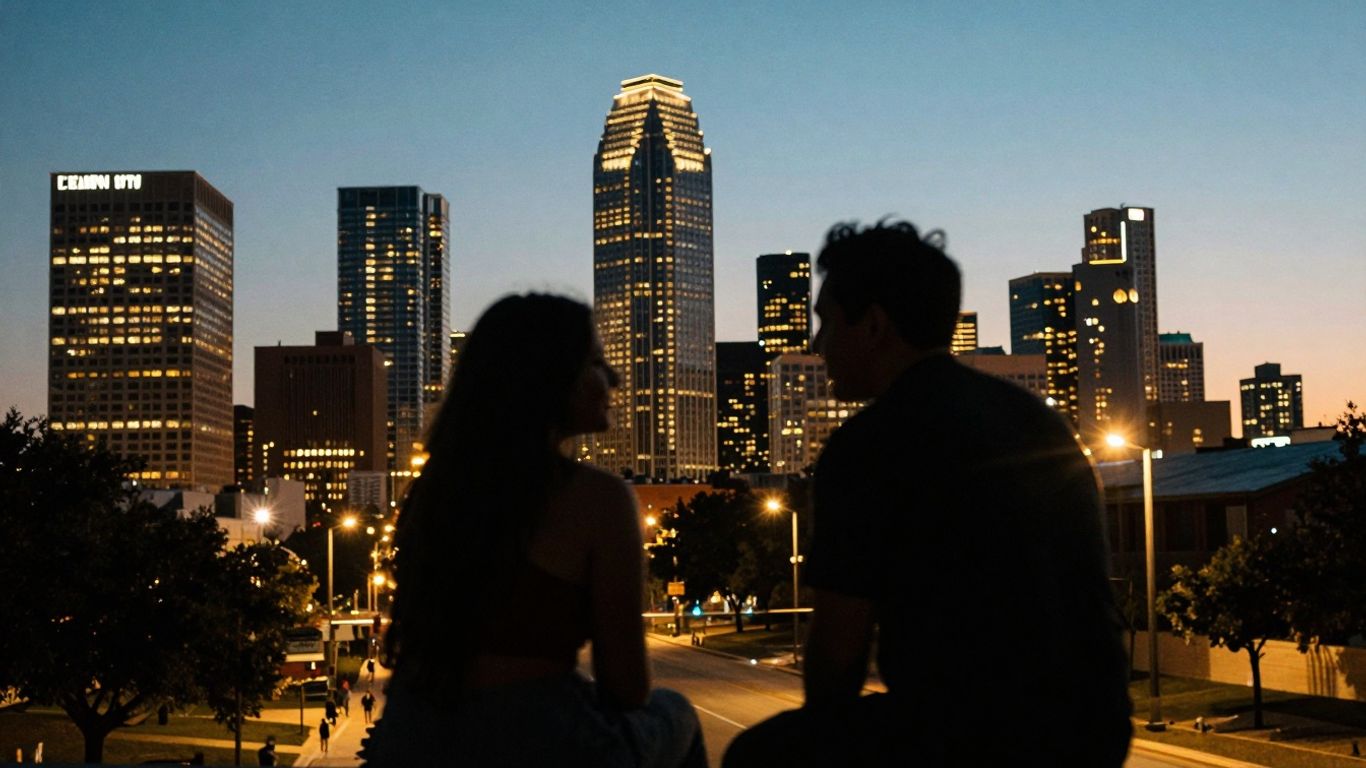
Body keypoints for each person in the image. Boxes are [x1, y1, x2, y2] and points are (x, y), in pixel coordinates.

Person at [724, 221, 1133, 766]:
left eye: (825, 322)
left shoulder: (867, 445)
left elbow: (837, 658)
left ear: (873, 325)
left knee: (757, 755)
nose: (819, 345)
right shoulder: (1041, 424)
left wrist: (822, 736)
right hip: (1095, 730)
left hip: (967, 735)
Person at [362, 294, 705, 767]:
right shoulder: (598, 498)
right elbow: (626, 687)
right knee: (677, 712)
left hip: (412, 734)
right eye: (597, 364)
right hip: (539, 733)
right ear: (549, 379)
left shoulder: (433, 493)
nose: (616, 379)